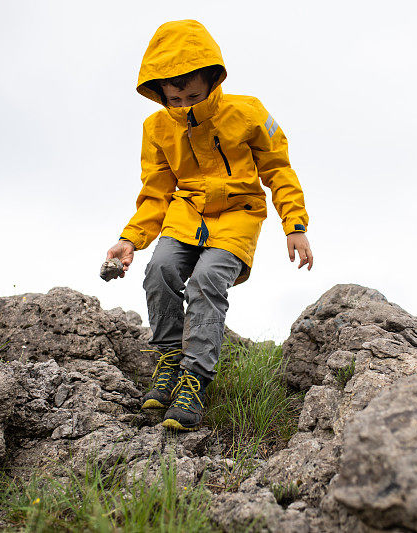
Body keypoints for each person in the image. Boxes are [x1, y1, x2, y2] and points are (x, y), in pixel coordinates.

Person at [105, 19, 313, 431]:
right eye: (174, 98)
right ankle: (169, 359)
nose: (184, 105)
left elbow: (278, 169)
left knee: (205, 282)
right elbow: (156, 190)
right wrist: (130, 238)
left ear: (213, 82)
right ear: (160, 92)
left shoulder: (249, 112)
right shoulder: (157, 127)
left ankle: (194, 381)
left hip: (238, 214)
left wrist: (295, 224)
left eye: (193, 95)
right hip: (186, 214)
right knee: (159, 270)